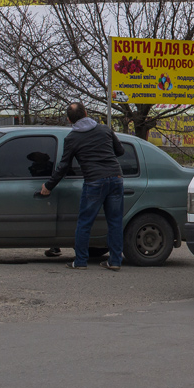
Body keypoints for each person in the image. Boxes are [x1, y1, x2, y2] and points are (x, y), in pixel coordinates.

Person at [41, 102, 125, 271]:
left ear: (69, 120)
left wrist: (49, 185)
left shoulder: (72, 138)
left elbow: (63, 166)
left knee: (85, 222)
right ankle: (115, 261)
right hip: (116, 178)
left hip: (94, 181)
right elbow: (120, 151)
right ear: (86, 112)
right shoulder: (104, 130)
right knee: (115, 222)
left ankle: (80, 261)